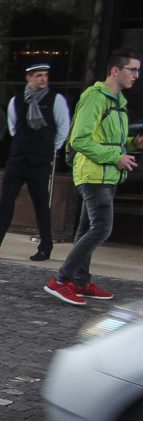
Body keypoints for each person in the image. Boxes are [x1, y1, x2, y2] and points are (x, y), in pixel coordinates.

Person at [44, 48, 143, 305]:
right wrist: (116, 157)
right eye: (132, 69)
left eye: (138, 70)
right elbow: (80, 139)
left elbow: (108, 140)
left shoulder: (118, 102)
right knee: (101, 228)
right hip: (94, 173)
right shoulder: (96, 98)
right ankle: (61, 281)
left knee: (88, 229)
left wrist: (133, 144)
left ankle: (80, 282)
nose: (137, 75)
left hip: (108, 174)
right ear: (115, 70)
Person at [0, 60, 69, 261]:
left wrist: (49, 149)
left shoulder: (55, 99)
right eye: (39, 75)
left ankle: (45, 246)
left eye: (45, 75)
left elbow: (63, 128)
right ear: (29, 78)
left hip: (40, 160)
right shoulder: (17, 101)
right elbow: (14, 128)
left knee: (41, 204)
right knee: (5, 202)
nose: (43, 79)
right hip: (18, 158)